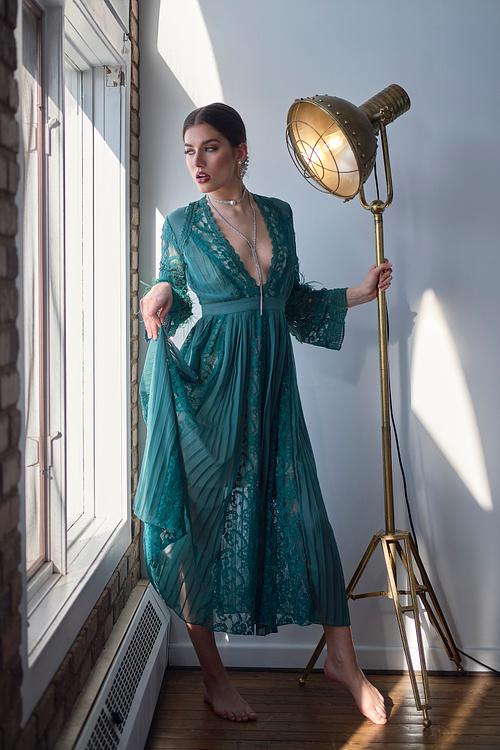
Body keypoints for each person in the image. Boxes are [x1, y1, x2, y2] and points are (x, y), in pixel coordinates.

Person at [135, 103, 393, 725]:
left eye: (211, 147)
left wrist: (357, 294)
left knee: (307, 515)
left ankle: (345, 663)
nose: (197, 162)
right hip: (212, 389)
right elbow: (171, 284)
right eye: (189, 151)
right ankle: (214, 678)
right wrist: (160, 290)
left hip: (275, 387)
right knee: (199, 530)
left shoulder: (279, 215)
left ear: (241, 151)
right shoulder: (183, 224)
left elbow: (293, 301)